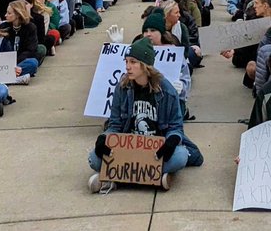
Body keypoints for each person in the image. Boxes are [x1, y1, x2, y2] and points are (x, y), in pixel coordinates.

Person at [87, 37, 203, 192]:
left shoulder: (167, 91)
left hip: (155, 151)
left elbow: (176, 127)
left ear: (145, 65)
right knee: (93, 158)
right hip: (128, 147)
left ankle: (114, 178)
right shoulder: (122, 88)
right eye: (126, 61)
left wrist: (171, 142)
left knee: (180, 156)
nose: (128, 67)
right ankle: (155, 178)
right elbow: (115, 124)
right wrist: (105, 138)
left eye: (133, 62)